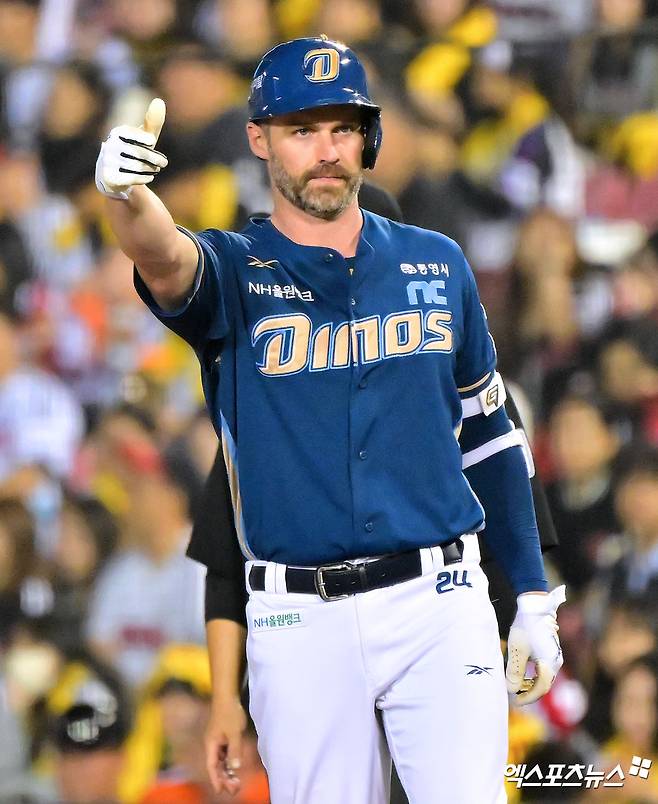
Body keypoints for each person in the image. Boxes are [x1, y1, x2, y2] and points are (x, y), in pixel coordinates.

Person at [96, 35, 565, 804]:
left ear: (369, 137)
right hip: (296, 616)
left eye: (343, 128)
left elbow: (490, 435)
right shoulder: (236, 267)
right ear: (259, 139)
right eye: (302, 129)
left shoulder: (437, 261)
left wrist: (534, 595)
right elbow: (164, 257)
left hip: (440, 599)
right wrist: (125, 197)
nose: (326, 150)